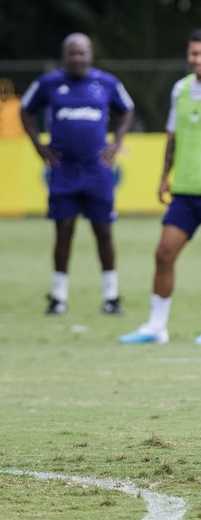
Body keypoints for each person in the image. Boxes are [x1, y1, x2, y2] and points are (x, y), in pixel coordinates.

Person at [119, 29, 201, 346]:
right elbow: (173, 135)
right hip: (185, 191)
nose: (199, 59)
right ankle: (156, 326)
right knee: (163, 253)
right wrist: (165, 175)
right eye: (194, 54)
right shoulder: (180, 90)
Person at [20, 33, 134, 316]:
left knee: (103, 232)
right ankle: (58, 298)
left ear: (90, 55)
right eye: (72, 53)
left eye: (82, 53)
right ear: (64, 56)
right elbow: (25, 109)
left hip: (97, 170)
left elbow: (127, 109)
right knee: (63, 231)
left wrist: (117, 143)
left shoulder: (106, 82)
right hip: (64, 170)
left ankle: (110, 297)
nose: (77, 58)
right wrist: (39, 147)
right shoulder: (49, 83)